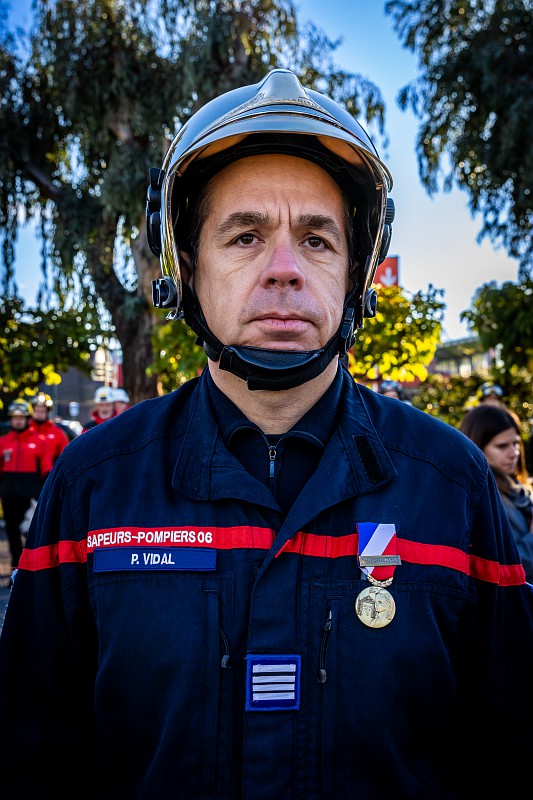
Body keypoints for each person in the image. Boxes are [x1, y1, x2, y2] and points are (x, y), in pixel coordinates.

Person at [0, 68, 532, 800]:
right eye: (244, 236)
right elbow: (34, 755)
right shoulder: (93, 485)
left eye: (316, 240)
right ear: (186, 267)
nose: (283, 270)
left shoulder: (453, 484)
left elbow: (504, 753)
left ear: (353, 276)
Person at [459, 404, 533, 582]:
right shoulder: (480, 500)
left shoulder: (515, 488)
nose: (514, 453)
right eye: (502, 446)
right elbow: (498, 566)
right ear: (477, 447)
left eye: (516, 443)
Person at [0, 400, 53, 570]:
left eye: (21, 417)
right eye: (15, 418)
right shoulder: (3, 442)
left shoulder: (40, 441)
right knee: (12, 533)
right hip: (9, 496)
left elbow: (47, 469)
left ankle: (32, 569)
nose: (18, 421)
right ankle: (16, 567)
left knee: (32, 534)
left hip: (31, 497)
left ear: (27, 419)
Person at [30, 392, 70, 463]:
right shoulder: (26, 431)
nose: (39, 414)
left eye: (42, 411)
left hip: (51, 471)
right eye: (37, 411)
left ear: (47, 412)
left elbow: (65, 456)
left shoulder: (57, 433)